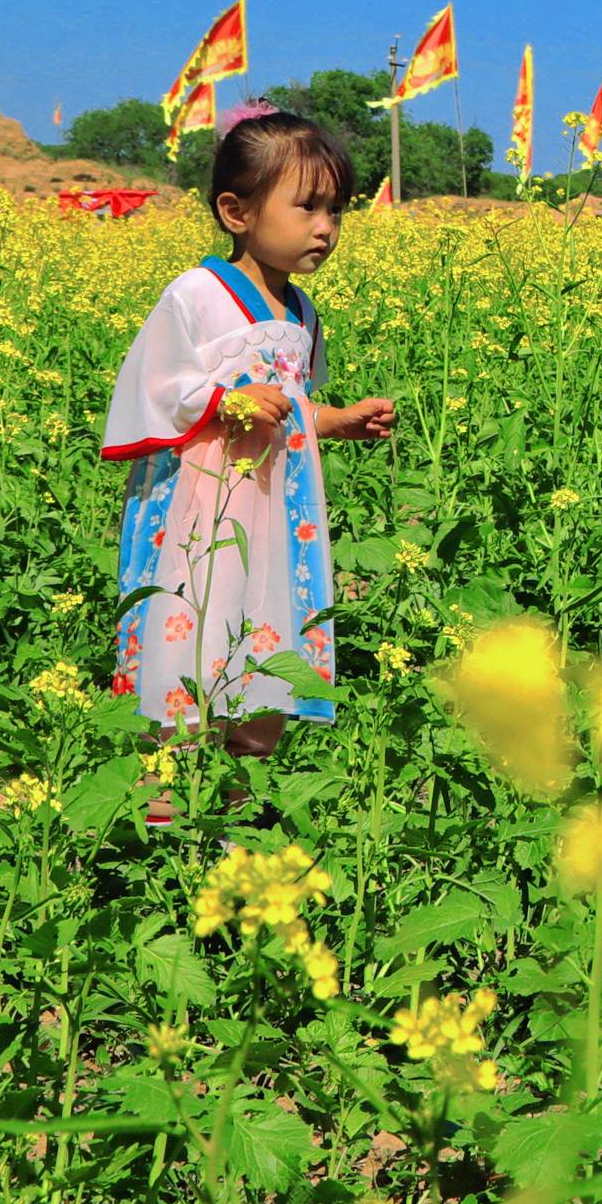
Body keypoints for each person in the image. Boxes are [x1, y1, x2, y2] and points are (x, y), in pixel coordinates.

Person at [104, 109, 397, 791]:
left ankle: (236, 818)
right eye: (307, 206)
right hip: (202, 514)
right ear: (236, 211)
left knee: (264, 665)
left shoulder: (302, 313)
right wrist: (227, 402)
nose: (325, 226)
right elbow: (155, 388)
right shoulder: (198, 295)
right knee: (192, 653)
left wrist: (336, 420)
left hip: (276, 512)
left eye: (336, 210)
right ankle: (167, 822)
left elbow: (291, 406)